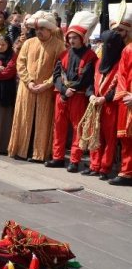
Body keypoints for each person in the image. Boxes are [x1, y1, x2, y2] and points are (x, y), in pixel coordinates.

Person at [7, 11, 67, 162]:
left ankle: (39, 153)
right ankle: (21, 150)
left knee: (42, 121)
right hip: (26, 88)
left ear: (50, 30)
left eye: (42, 29)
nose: (39, 31)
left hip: (45, 91)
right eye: (37, 29)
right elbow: (20, 63)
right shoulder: (28, 43)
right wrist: (29, 82)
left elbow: (59, 70)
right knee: (24, 118)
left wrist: (46, 85)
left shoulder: (59, 46)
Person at [45, 11, 98, 172]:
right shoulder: (64, 54)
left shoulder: (91, 56)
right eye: (70, 37)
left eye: (75, 38)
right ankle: (58, 157)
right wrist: (63, 90)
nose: (71, 40)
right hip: (62, 96)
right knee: (59, 127)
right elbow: (56, 75)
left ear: (82, 38)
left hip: (79, 97)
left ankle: (75, 160)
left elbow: (87, 78)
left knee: (78, 128)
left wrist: (71, 89)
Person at [83, 30, 125, 180]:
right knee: (95, 135)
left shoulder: (121, 63)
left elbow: (119, 86)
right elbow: (89, 82)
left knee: (109, 138)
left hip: (110, 105)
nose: (103, 46)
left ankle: (105, 167)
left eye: (106, 44)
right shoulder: (98, 62)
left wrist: (105, 99)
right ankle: (94, 165)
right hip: (96, 103)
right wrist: (91, 95)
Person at [109, 3, 132, 186]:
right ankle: (126, 171)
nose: (119, 34)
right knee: (126, 138)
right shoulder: (126, 50)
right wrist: (125, 95)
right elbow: (122, 76)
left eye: (121, 30)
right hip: (127, 100)